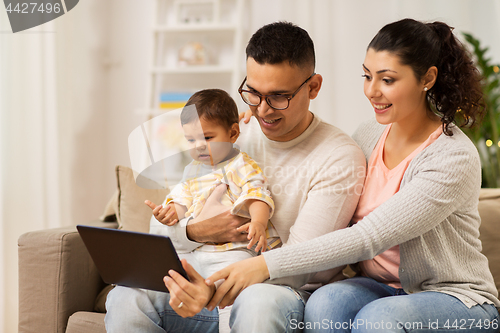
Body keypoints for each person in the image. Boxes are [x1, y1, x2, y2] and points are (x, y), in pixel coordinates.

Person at [203, 18, 500, 332]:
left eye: (387, 80)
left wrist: (263, 265)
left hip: (454, 298)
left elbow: (369, 236)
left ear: (427, 78)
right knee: (325, 303)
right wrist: (265, 116)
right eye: (367, 75)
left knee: (379, 320)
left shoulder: (452, 155)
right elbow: (314, 150)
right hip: (379, 287)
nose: (372, 91)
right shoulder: (370, 134)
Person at [105, 21, 366, 333]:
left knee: (256, 301)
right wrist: (196, 232)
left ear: (313, 87)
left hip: (281, 294)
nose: (263, 110)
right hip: (205, 279)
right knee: (125, 297)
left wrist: (214, 287)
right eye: (253, 93)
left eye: (278, 96)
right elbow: (158, 233)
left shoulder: (337, 156)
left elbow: (300, 265)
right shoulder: (226, 135)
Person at [145, 88, 282, 333]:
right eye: (190, 140)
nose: (198, 147)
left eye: (207, 138)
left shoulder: (240, 164)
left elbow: (257, 194)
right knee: (174, 278)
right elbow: (182, 197)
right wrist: (171, 211)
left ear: (232, 133)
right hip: (200, 252)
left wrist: (259, 222)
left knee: (228, 296)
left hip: (235, 253)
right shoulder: (193, 170)